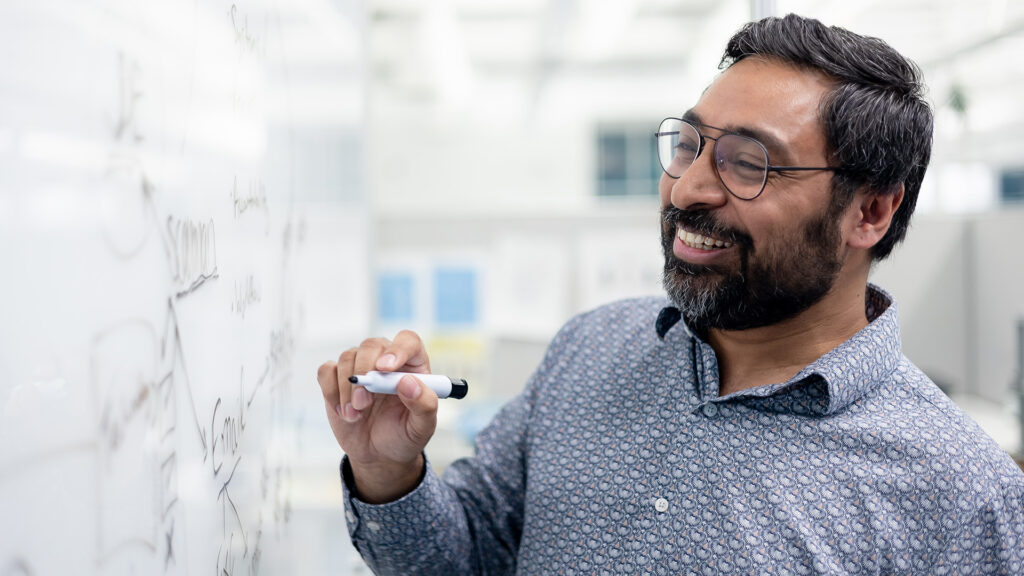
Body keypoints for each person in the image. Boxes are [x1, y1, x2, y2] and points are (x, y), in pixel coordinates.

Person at [317, 14, 1024, 575]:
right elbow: (464, 557)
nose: (688, 188)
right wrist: (388, 471)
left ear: (870, 212)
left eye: (749, 163)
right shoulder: (588, 350)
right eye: (688, 144)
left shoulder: (961, 492)